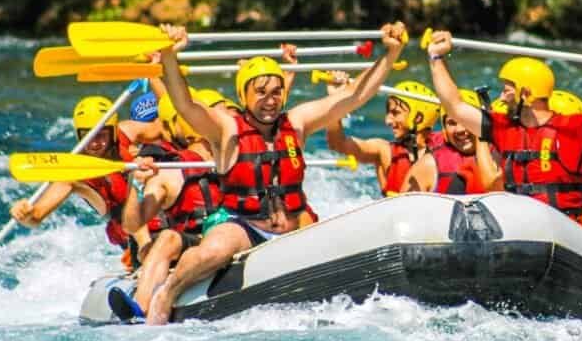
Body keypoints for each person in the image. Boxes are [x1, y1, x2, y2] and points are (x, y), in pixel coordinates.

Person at [145, 21, 408, 325]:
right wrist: (169, 56)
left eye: (275, 92)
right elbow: (185, 104)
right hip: (244, 226)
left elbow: (353, 97)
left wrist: (391, 53)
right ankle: (166, 293)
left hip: (293, 227)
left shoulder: (296, 123)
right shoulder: (226, 127)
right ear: (244, 95)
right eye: (261, 93)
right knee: (213, 251)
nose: (270, 101)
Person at [425, 30, 582, 224]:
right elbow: (455, 106)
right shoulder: (503, 128)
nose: (502, 98)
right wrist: (436, 58)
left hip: (563, 230)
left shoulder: (570, 128)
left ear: (526, 94)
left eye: (507, 91)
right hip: (520, 228)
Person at [109, 94, 222, 321]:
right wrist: (135, 183)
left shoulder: (230, 146)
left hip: (232, 231)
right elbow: (132, 225)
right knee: (169, 238)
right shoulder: (165, 166)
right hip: (194, 238)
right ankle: (140, 308)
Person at [9, 96, 154, 262]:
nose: (94, 143)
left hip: (158, 208)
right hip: (134, 236)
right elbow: (37, 216)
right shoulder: (74, 176)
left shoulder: (127, 131)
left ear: (114, 132)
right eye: (88, 136)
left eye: (101, 136)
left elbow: (167, 130)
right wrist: (26, 214)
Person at [325, 78, 440, 196]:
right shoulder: (384, 151)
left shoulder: (443, 151)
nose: (387, 121)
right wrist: (334, 99)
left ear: (418, 118)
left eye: (395, 113)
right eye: (388, 113)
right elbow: (337, 143)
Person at [400, 89, 489, 194]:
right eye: (452, 123)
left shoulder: (499, 156)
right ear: (445, 131)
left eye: (466, 120)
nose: (460, 129)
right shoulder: (428, 165)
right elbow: (403, 208)